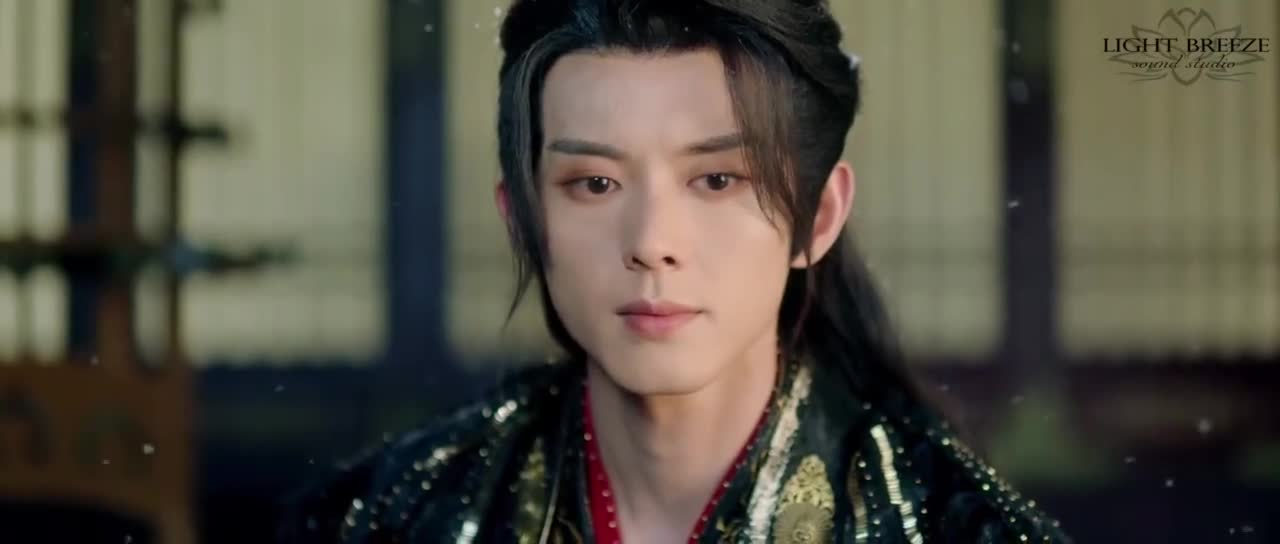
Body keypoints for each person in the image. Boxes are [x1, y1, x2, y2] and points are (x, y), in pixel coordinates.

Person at [282, 0, 1072, 542]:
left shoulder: (953, 526)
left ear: (818, 217)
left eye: (718, 179)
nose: (653, 242)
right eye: (595, 184)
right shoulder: (388, 516)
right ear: (521, 217)